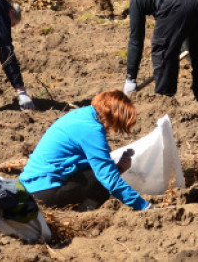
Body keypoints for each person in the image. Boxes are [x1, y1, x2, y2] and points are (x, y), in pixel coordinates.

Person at [19, 90, 150, 211]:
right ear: (113, 117)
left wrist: (118, 168)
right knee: (100, 181)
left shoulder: (82, 115)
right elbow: (107, 177)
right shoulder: (92, 129)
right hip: (44, 191)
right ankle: (82, 212)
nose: (112, 130)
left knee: (99, 173)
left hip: (30, 188)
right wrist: (143, 205)